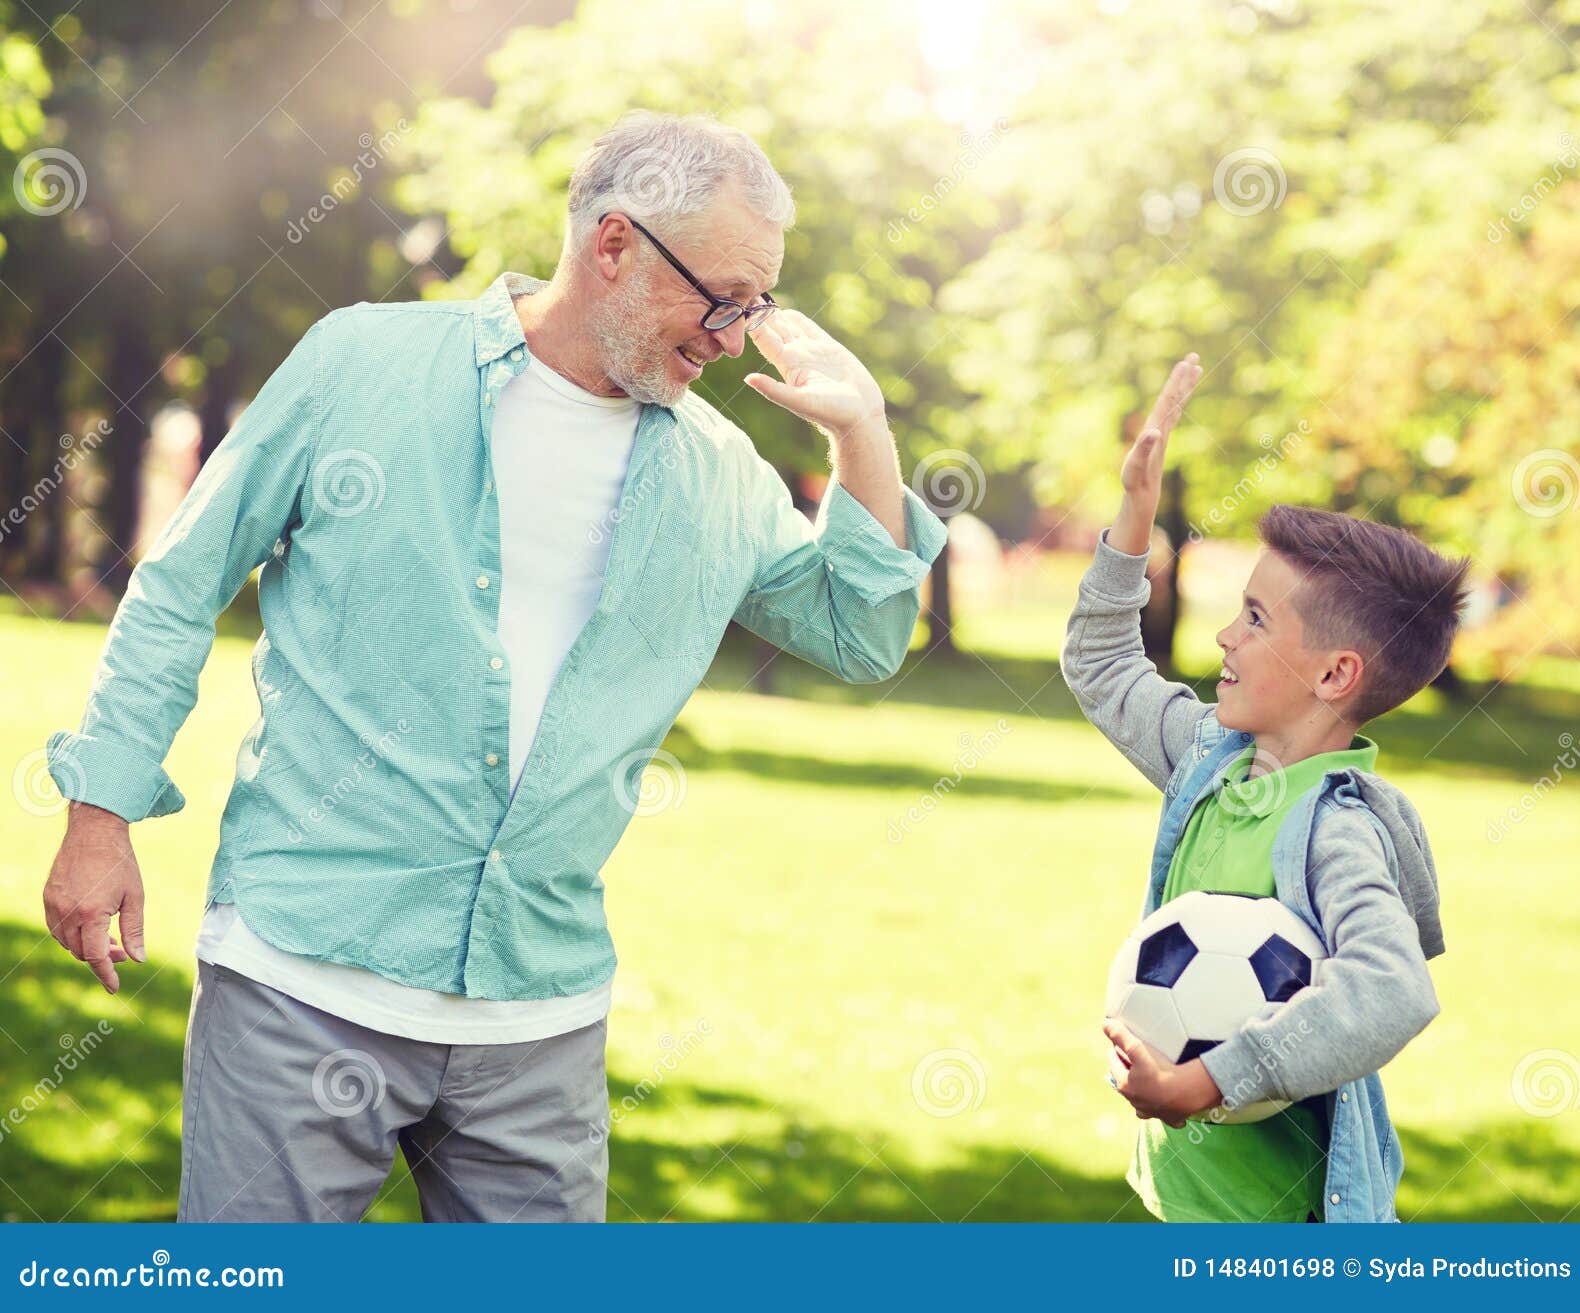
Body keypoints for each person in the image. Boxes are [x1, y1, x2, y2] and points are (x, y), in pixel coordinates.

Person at [41, 111, 946, 1223]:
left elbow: (861, 636)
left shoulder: (721, 471)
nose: (731, 335)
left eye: (754, 305)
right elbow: (182, 582)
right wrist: (99, 812)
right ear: (613, 244)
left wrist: (864, 434)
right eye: (720, 297)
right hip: (304, 973)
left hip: (538, 1017)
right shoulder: (363, 363)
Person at [1064, 356, 1466, 1222]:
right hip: (1186, 1207)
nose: (1223, 636)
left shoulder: (1335, 832)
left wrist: (1205, 1081)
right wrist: (1134, 516)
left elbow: (1395, 988)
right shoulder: (1210, 760)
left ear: (1334, 674)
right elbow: (1099, 666)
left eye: (1254, 619)